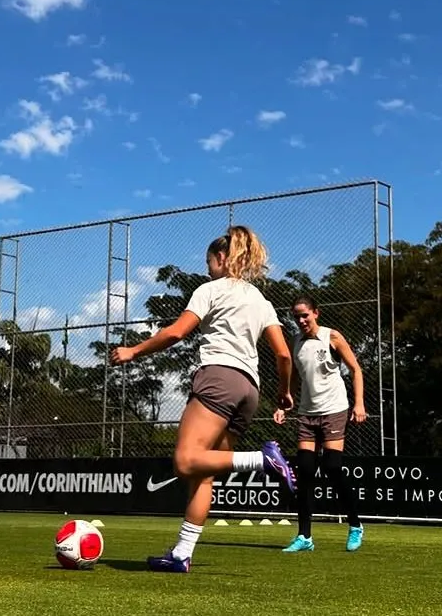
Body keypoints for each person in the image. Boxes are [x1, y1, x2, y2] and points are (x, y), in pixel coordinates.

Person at [109, 225, 296, 573]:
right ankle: (181, 553)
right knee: (204, 473)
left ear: (222, 259)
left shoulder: (210, 290)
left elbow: (178, 332)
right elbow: (283, 355)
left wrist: (134, 351)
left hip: (218, 379)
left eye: (209, 261)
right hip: (249, 391)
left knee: (184, 462)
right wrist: (284, 392)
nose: (208, 268)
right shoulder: (261, 301)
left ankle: (263, 460)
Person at [273, 295, 367, 552]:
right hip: (307, 413)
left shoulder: (332, 337)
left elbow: (356, 369)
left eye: (305, 315)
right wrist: (284, 404)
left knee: (332, 467)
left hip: (335, 410)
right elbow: (293, 381)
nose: (301, 320)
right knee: (304, 470)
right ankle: (305, 537)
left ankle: (356, 525)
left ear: (316, 313)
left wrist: (359, 403)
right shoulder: (296, 343)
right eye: (296, 317)